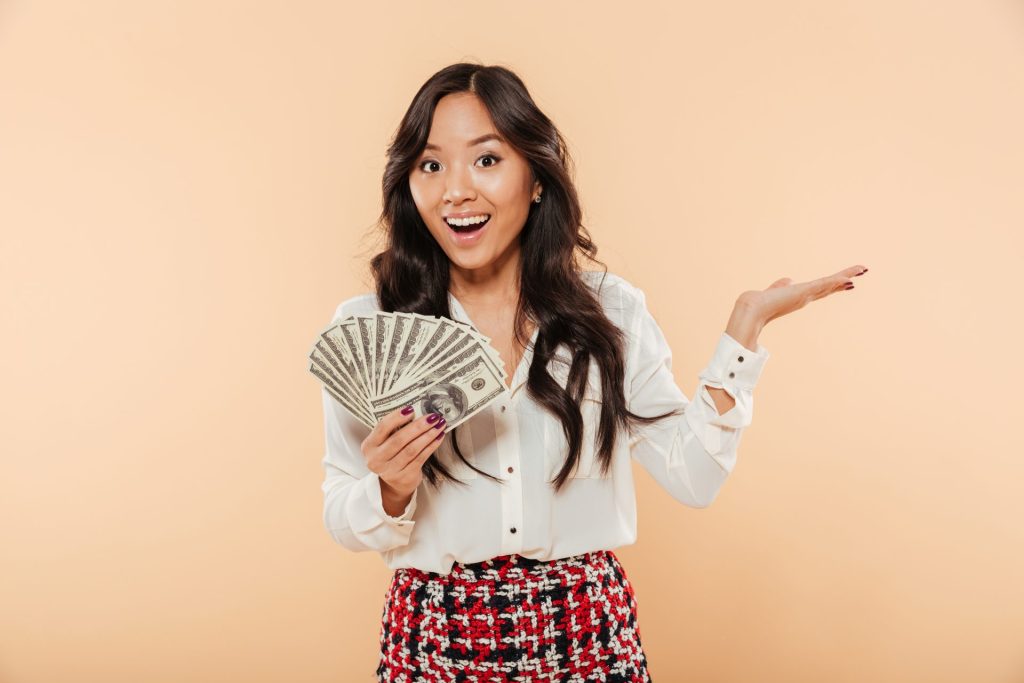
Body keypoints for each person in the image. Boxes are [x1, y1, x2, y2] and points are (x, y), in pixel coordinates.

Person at [318, 62, 868, 682]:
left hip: (584, 632)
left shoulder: (610, 312)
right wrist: (390, 488)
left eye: (487, 160)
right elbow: (342, 511)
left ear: (536, 178)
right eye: (431, 164)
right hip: (433, 637)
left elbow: (694, 477)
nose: (456, 191)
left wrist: (744, 329)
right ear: (409, 184)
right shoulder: (373, 326)